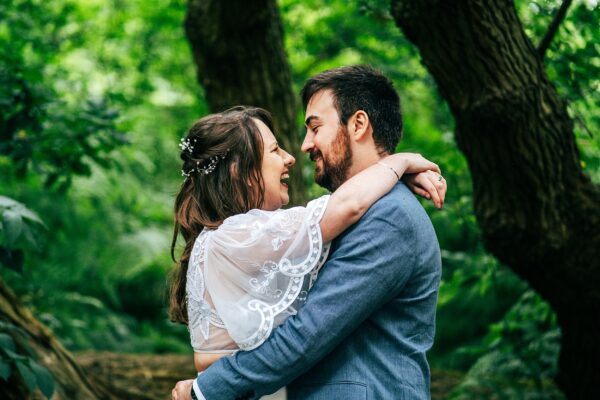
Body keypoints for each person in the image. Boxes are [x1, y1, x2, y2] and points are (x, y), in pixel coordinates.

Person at [173, 65, 444, 400]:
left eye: (315, 128)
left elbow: (308, 333)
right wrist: (400, 163)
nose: (302, 147)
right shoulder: (336, 216)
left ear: (358, 124)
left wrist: (204, 391)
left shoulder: (388, 216)